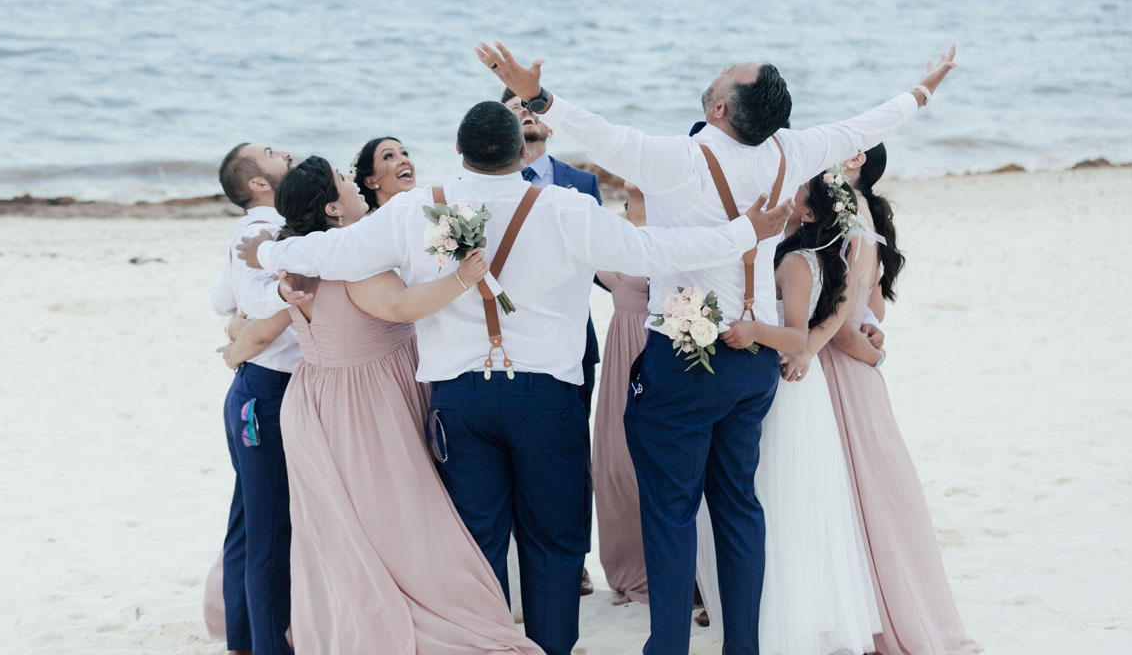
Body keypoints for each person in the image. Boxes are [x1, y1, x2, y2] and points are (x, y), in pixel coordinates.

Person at [235, 101, 793, 655]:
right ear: (521, 152)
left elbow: (335, 250)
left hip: (459, 402)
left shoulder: (414, 211)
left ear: (459, 151)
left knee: (476, 540)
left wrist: (268, 253)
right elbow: (655, 249)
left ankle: (490, 646)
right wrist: (745, 233)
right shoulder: (566, 209)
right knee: (554, 539)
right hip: (546, 400)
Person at [476, 39, 957, 655]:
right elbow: (862, 125)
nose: (720, 69)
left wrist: (536, 94)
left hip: (684, 366)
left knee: (671, 513)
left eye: (728, 73)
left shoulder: (678, 159)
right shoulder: (791, 151)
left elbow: (600, 135)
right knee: (738, 508)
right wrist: (923, 91)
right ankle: (743, 649)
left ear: (724, 109)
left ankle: (669, 647)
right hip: (754, 366)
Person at [222, 155, 543, 654]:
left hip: (316, 401)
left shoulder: (296, 259)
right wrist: (463, 277)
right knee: (401, 517)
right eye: (345, 180)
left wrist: (235, 348)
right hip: (367, 403)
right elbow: (397, 307)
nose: (353, 183)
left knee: (344, 528)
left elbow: (267, 323)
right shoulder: (351, 258)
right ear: (332, 206)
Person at [696, 170, 881, 655]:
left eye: (796, 192)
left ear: (810, 213)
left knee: (778, 497)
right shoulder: (805, 254)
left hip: (788, 383)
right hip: (791, 384)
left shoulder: (799, 261)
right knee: (781, 497)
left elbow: (798, 337)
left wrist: (752, 330)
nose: (787, 192)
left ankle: (780, 618)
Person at [811, 144, 983, 655]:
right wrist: (869, 341)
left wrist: (867, 353)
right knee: (867, 492)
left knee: (856, 494)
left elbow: (842, 318)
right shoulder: (864, 212)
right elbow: (875, 308)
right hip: (854, 366)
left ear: (857, 159)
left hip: (836, 365)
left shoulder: (846, 213)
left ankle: (872, 617)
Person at [504, 86, 603, 595]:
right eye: (514, 107)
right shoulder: (485, 183)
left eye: (531, 106)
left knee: (570, 455)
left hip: (571, 342)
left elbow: (602, 263)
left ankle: (576, 559)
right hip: (503, 339)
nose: (525, 113)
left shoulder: (582, 182)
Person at [207, 141, 297, 655]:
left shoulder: (250, 230)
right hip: (266, 394)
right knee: (268, 530)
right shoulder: (264, 231)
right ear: (258, 183)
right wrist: (281, 294)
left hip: (252, 387)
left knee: (248, 522)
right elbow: (258, 300)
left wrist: (239, 312)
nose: (283, 151)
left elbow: (222, 298)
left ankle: (243, 640)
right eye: (270, 152)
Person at [593, 183, 651, 606]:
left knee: (651, 464)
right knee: (614, 460)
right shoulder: (611, 235)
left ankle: (678, 572)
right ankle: (630, 567)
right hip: (620, 353)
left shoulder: (678, 234)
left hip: (662, 349)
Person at [352, 135, 417, 211]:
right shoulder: (369, 221)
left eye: (404, 154)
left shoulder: (426, 211)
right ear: (370, 181)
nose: (405, 160)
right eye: (389, 156)